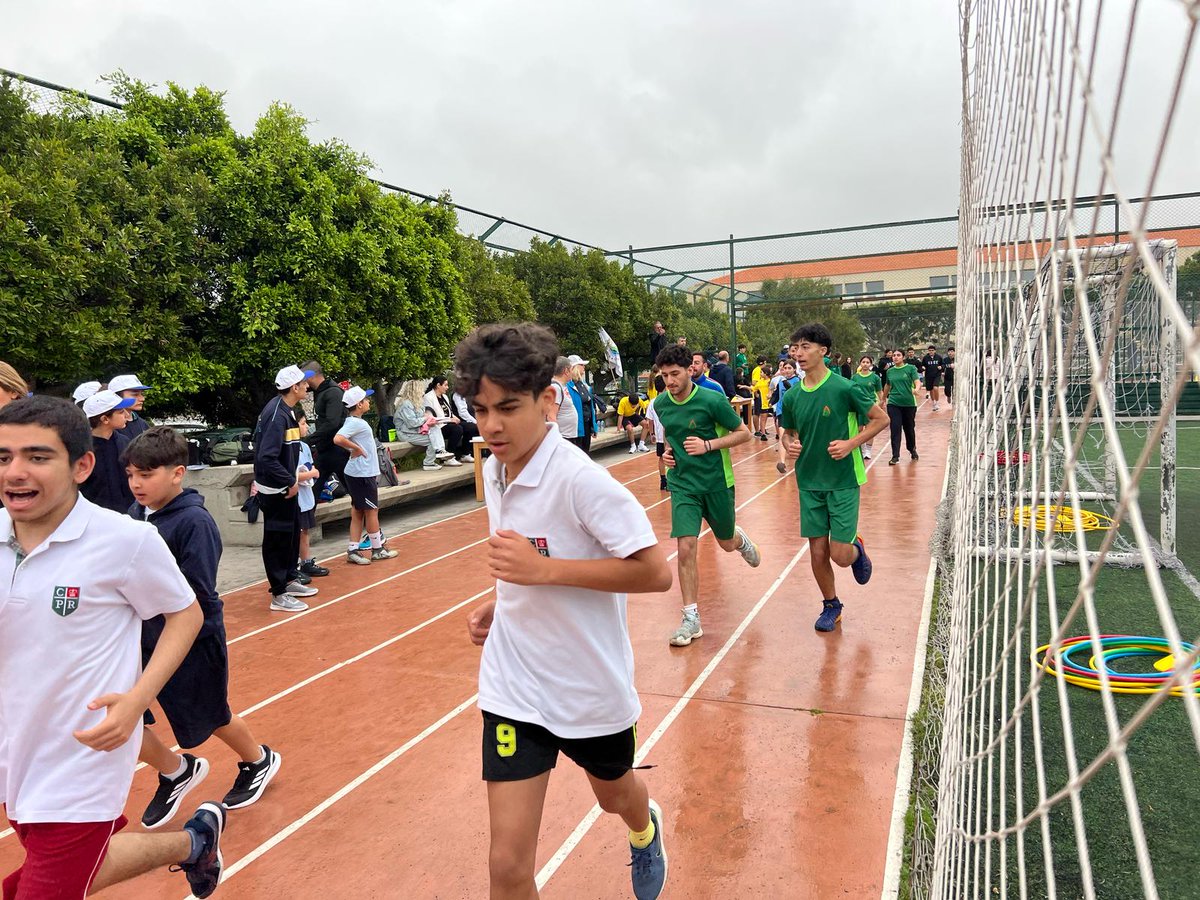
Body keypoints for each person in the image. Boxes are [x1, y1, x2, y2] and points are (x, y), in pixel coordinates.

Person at [456, 322, 672, 900]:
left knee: (613, 796)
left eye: (508, 407)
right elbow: (527, 566)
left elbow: (655, 572)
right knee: (506, 867)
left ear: (548, 400)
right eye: (480, 410)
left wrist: (542, 571)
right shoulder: (498, 470)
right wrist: (501, 606)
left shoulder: (582, 482)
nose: (492, 426)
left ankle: (644, 827)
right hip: (514, 687)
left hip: (588, 689)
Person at [0, 397, 226, 899]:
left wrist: (137, 699)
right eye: (3, 457)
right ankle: (195, 844)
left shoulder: (124, 540)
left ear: (82, 465)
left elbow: (186, 613)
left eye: (37, 457)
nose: (16, 472)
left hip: (83, 756)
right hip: (14, 752)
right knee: (67, 869)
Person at [123, 426, 283, 829]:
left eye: (147, 474)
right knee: (122, 713)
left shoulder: (194, 522)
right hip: (138, 635)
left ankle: (258, 759)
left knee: (209, 713)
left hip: (193, 638)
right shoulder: (135, 515)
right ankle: (175, 771)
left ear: (177, 473)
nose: (136, 483)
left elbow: (193, 591)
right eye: (130, 474)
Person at [780, 324, 888, 632]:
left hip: (842, 480)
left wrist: (851, 443)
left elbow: (881, 418)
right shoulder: (793, 395)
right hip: (809, 483)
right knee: (817, 551)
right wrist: (791, 446)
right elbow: (786, 435)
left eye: (804, 347)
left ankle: (857, 549)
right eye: (795, 347)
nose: (797, 353)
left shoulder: (845, 388)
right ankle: (831, 605)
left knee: (840, 555)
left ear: (823, 351)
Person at [654, 344, 761, 647]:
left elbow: (744, 433)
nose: (670, 381)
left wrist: (708, 445)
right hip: (683, 484)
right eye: (664, 376)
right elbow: (669, 441)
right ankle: (691, 619)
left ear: (690, 370)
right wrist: (670, 456)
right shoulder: (661, 404)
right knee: (686, 547)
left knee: (725, 543)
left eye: (675, 374)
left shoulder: (712, 400)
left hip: (716, 482)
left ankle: (739, 539)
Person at [253, 365, 318, 613]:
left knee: (291, 534)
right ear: (294, 387)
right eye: (303, 383)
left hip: (285, 486)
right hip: (276, 489)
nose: (306, 386)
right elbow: (267, 458)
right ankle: (278, 593)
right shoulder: (276, 415)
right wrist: (289, 481)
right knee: (277, 539)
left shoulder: (287, 411)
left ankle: (290, 579)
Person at [334, 385, 401, 566]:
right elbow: (338, 439)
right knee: (372, 511)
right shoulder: (358, 423)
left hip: (357, 473)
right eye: (365, 399)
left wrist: (354, 448)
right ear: (359, 404)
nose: (369, 401)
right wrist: (356, 449)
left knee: (358, 512)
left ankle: (353, 550)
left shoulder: (353, 422)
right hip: (362, 474)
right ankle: (377, 549)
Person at [80, 389, 137, 513]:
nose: (127, 415)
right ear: (105, 419)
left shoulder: (125, 442)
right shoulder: (80, 448)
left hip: (128, 516)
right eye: (121, 412)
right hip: (94, 518)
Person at [303, 362, 349, 503]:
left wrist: (309, 440)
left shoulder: (333, 392)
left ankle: (367, 520)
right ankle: (306, 523)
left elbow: (332, 423)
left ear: (310, 376)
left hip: (338, 451)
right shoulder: (321, 392)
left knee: (355, 490)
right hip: (324, 451)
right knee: (312, 490)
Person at [294, 410, 328, 578]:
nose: (306, 426)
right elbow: (293, 475)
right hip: (295, 499)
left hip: (306, 496)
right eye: (302, 423)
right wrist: (312, 474)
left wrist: (312, 471)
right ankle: (292, 568)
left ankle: (306, 562)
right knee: (295, 533)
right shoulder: (286, 448)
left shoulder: (304, 446)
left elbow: (310, 466)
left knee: (304, 530)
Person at [395, 396, 455, 471]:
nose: (423, 394)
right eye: (421, 391)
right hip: (405, 433)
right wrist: (425, 418)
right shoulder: (406, 404)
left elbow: (420, 419)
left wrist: (430, 420)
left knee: (435, 428)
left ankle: (440, 450)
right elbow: (412, 423)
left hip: (415, 431)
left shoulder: (417, 403)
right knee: (432, 440)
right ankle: (428, 462)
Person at [884, 349, 921, 465]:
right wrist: (883, 398)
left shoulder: (910, 368)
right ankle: (895, 456)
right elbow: (887, 385)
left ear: (903, 357)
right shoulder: (890, 371)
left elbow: (917, 381)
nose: (895, 357)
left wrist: (916, 389)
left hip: (909, 404)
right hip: (894, 403)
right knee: (895, 428)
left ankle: (912, 449)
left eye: (898, 355)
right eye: (894, 355)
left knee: (909, 429)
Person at [424, 376, 471, 463]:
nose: (447, 387)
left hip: (448, 423)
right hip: (437, 427)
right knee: (457, 429)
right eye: (445, 385)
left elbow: (448, 411)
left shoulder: (444, 397)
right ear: (438, 385)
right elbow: (431, 418)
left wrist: (454, 417)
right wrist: (449, 420)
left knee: (469, 427)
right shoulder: (428, 397)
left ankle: (465, 454)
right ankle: (448, 457)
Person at [851, 355, 884, 461]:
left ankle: (868, 451)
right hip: (858, 405)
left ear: (871, 364)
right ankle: (862, 448)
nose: (865, 364)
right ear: (860, 363)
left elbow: (879, 392)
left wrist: (882, 402)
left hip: (870, 406)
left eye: (867, 362)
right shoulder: (855, 377)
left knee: (870, 428)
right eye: (863, 362)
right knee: (859, 429)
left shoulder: (875, 377)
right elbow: (851, 391)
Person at [566, 355, 597, 456]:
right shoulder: (567, 385)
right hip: (575, 427)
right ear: (574, 367)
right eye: (581, 365)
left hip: (586, 425)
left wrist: (593, 426)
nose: (584, 367)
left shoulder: (584, 384)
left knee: (585, 453)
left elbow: (590, 405)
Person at [550, 356, 582, 450]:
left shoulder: (563, 386)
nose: (573, 372)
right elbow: (551, 416)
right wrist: (557, 438)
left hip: (568, 436)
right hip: (563, 437)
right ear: (566, 371)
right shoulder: (555, 387)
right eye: (572, 369)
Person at [109, 374, 153, 440]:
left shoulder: (143, 424)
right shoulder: (109, 426)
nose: (142, 399)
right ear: (116, 396)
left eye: (142, 394)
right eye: (135, 395)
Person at [645, 374, 669, 491]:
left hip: (659, 436)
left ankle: (663, 480)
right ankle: (671, 480)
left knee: (661, 458)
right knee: (672, 456)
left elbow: (650, 420)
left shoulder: (652, 402)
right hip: (670, 436)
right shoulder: (670, 399)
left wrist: (652, 433)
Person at [771, 360, 800, 453]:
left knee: (794, 433)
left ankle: (797, 451)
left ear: (794, 369)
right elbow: (777, 394)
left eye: (789, 368)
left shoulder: (797, 381)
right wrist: (772, 402)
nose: (787, 370)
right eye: (785, 368)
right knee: (782, 434)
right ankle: (782, 460)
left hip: (793, 410)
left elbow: (796, 394)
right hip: (781, 410)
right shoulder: (781, 380)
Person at [752, 363, 774, 440]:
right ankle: (763, 433)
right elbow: (754, 388)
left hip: (771, 403)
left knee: (773, 418)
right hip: (764, 403)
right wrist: (745, 387)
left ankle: (776, 433)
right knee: (763, 418)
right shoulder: (760, 382)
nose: (760, 373)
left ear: (766, 374)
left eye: (761, 372)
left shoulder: (770, 381)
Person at [921, 345, 945, 410]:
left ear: (935, 351)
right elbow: (922, 365)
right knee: (931, 390)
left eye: (932, 350)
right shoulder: (925, 358)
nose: (931, 352)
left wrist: (941, 367)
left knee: (935, 388)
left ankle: (937, 402)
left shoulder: (939, 357)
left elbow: (943, 364)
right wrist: (923, 367)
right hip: (928, 375)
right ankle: (934, 402)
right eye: (930, 350)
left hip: (937, 375)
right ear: (928, 351)